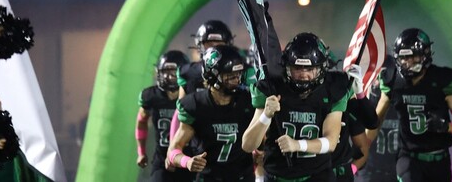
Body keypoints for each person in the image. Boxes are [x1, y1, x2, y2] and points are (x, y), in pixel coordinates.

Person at [242, 33, 351, 181]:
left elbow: (330, 142)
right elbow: (247, 145)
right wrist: (266, 115)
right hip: (277, 175)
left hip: (315, 176)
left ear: (321, 68)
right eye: (297, 68)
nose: (303, 75)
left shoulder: (332, 89)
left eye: (309, 69)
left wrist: (297, 144)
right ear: (287, 68)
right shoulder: (274, 89)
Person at [371, 28, 452, 182]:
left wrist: (446, 126)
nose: (407, 63)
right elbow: (375, 121)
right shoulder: (393, 80)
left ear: (425, 54)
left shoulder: (441, 79)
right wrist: (361, 147)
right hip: (409, 158)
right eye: (403, 58)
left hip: (439, 160)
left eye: (413, 57)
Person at [168, 45, 256, 181]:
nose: (236, 80)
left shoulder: (247, 101)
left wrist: (260, 151)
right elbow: (173, 150)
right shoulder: (196, 105)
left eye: (237, 75)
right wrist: (187, 161)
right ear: (212, 75)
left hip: (242, 177)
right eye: (229, 75)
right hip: (209, 177)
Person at [136, 50, 197, 181]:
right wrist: (141, 152)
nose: (169, 77)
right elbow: (141, 121)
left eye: (173, 73)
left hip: (189, 157)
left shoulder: (194, 96)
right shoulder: (151, 96)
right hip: (162, 158)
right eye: (165, 73)